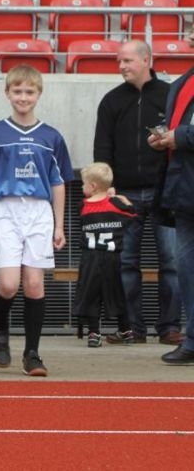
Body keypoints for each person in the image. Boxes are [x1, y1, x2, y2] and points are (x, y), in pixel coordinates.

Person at [0, 65, 74, 378]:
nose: (23, 97)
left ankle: (32, 353)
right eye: (17, 91)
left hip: (38, 211)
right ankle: (0, 330)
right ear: (7, 93)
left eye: (29, 91)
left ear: (38, 94)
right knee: (9, 283)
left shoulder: (51, 136)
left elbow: (58, 183)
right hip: (5, 210)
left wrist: (59, 225)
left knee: (35, 283)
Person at [93, 40, 181, 345]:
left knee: (172, 262)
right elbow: (102, 148)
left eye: (128, 61)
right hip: (124, 194)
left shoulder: (170, 96)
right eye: (119, 61)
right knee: (125, 263)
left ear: (146, 60)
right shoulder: (111, 101)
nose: (122, 66)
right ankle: (133, 328)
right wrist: (107, 188)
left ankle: (170, 328)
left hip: (165, 193)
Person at [149, 63, 194, 365]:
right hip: (185, 191)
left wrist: (182, 137)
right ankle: (193, 341)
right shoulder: (183, 82)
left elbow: (185, 132)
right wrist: (163, 137)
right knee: (187, 271)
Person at [73, 162, 135, 348]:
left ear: (92, 186)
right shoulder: (115, 205)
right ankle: (126, 329)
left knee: (91, 293)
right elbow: (132, 213)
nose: (82, 187)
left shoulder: (83, 206)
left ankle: (94, 333)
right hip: (112, 258)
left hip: (90, 257)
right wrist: (120, 198)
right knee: (116, 292)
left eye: (83, 184)